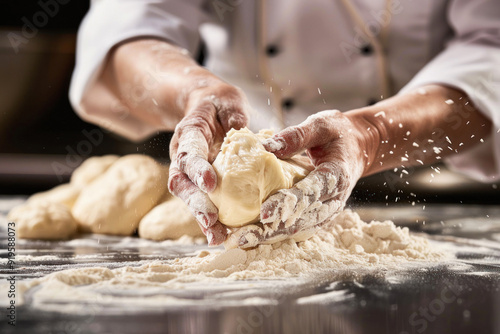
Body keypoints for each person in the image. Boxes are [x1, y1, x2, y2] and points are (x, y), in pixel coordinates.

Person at [70, 0, 500, 246]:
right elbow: (126, 28)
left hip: (439, 183)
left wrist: (369, 135)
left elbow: (491, 50)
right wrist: (194, 94)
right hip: (256, 184)